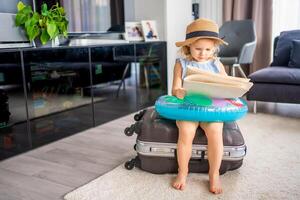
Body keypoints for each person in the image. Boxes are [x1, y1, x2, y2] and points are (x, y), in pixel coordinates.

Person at [171, 18, 228, 194]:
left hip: (211, 109)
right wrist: (179, 91)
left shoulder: (216, 64)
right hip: (188, 108)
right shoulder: (181, 64)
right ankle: (183, 171)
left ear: (214, 48)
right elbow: (175, 88)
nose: (203, 53)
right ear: (188, 46)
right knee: (186, 132)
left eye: (208, 49)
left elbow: (226, 84)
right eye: (198, 49)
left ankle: (214, 174)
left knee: (215, 132)